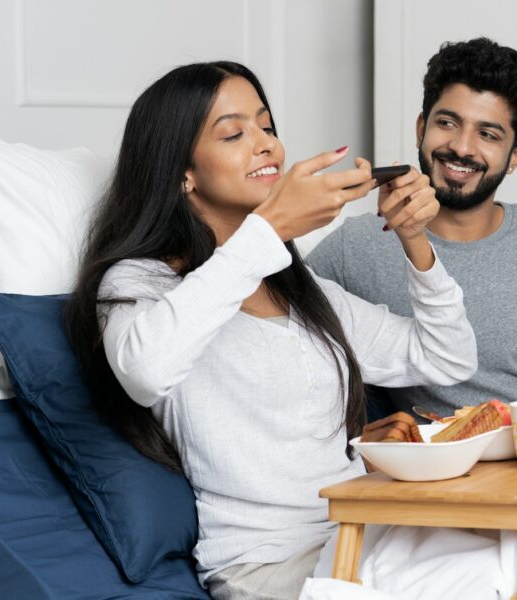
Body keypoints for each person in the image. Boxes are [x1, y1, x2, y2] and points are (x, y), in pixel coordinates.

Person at [64, 61, 478, 599]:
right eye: (235, 133)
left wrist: (415, 239)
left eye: (267, 126)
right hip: (269, 567)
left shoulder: (297, 287)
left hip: (361, 534)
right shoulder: (144, 283)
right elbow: (146, 371)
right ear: (180, 171)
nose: (266, 145)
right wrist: (270, 228)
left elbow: (447, 358)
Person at [307, 37, 517, 430]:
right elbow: (281, 315)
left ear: (514, 156)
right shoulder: (358, 244)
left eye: (488, 134)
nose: (461, 147)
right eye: (447, 123)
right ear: (421, 128)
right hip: (437, 465)